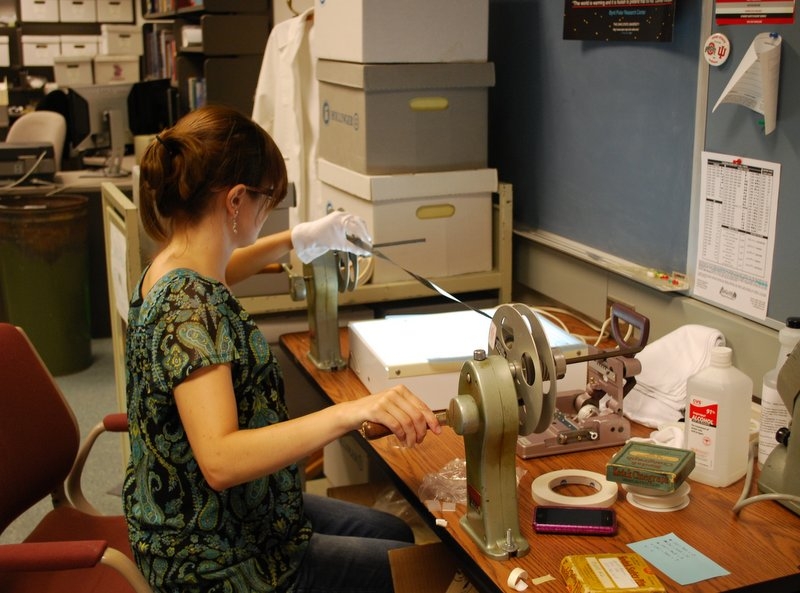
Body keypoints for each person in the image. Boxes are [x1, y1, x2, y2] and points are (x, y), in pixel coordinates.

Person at [122, 104, 442, 593]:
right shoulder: (190, 308)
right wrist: (352, 413)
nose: (269, 210)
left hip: (194, 513)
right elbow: (221, 461)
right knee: (413, 570)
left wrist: (298, 238)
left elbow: (225, 269)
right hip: (211, 555)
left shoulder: (170, 265)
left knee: (394, 531)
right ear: (234, 201)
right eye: (267, 200)